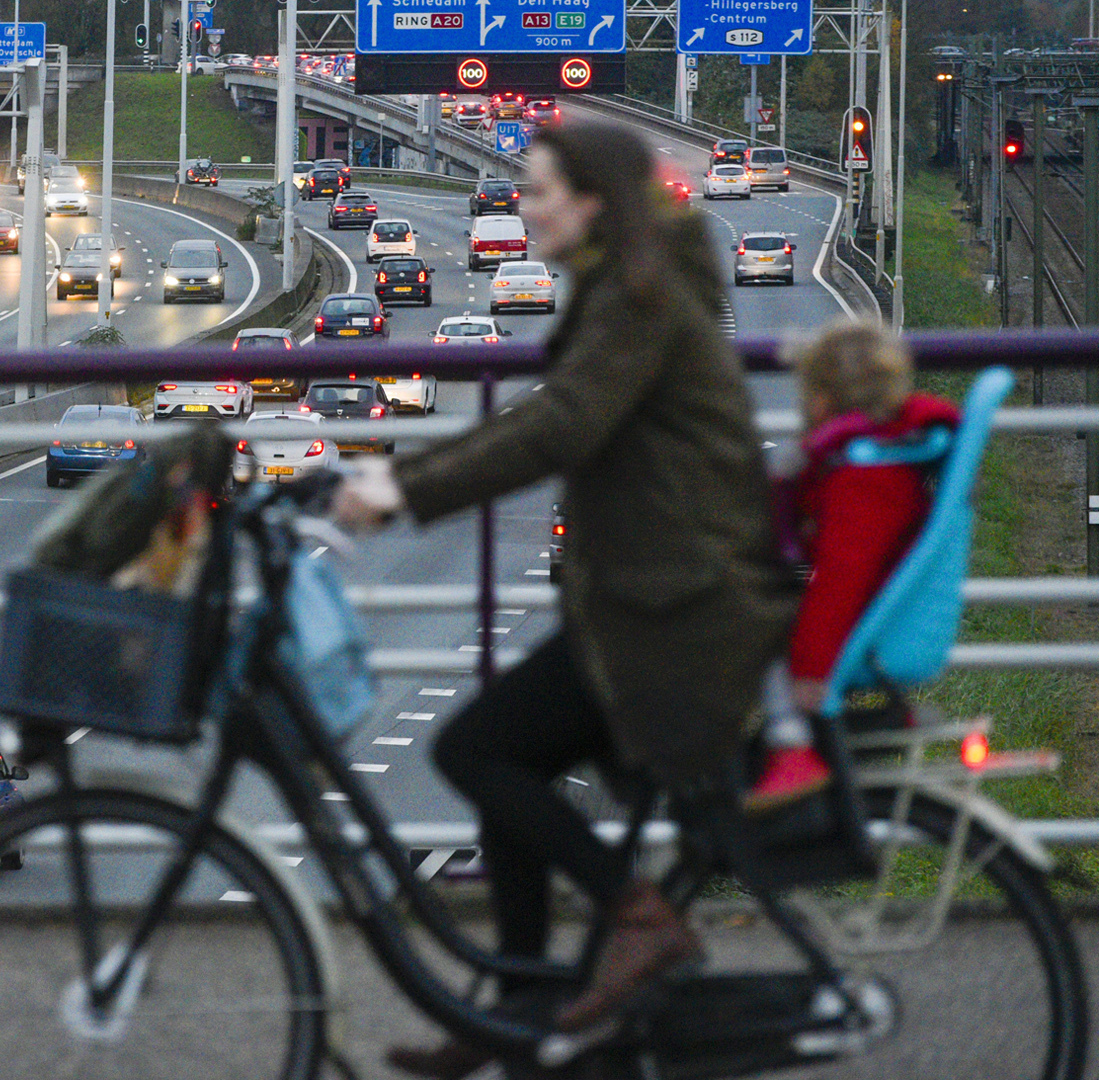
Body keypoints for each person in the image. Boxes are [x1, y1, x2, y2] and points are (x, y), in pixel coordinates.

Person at [333, 121, 799, 1075]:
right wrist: (400, 475)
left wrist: (405, 491)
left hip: (676, 616)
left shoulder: (641, 295)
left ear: (592, 204)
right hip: (646, 602)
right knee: (505, 762)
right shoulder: (626, 283)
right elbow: (547, 412)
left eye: (540, 190)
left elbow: (566, 426)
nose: (521, 205)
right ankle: (520, 1010)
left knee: (474, 748)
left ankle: (636, 917)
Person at [745, 321, 962, 811]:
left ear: (824, 399)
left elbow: (842, 580)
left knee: (748, 620)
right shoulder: (878, 455)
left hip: (859, 626)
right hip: (878, 609)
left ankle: (790, 746)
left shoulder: (865, 476)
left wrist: (811, 674)